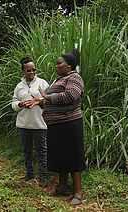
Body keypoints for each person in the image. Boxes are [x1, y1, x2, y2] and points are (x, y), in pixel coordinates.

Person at [32, 48, 85, 205]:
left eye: (59, 63)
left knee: (73, 157)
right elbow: (51, 101)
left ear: (69, 65)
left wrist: (47, 97)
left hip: (70, 123)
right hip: (56, 125)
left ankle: (78, 192)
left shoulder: (75, 77)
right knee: (61, 155)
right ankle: (62, 187)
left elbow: (70, 96)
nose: (56, 66)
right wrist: (40, 102)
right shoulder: (57, 80)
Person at [12, 56, 49, 187]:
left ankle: (43, 176)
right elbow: (13, 104)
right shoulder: (19, 86)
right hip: (23, 124)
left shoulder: (43, 84)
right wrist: (21, 104)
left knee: (42, 151)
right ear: (23, 71)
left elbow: (49, 102)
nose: (32, 72)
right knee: (26, 150)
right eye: (28, 70)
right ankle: (29, 173)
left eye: (34, 70)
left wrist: (38, 102)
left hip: (40, 124)